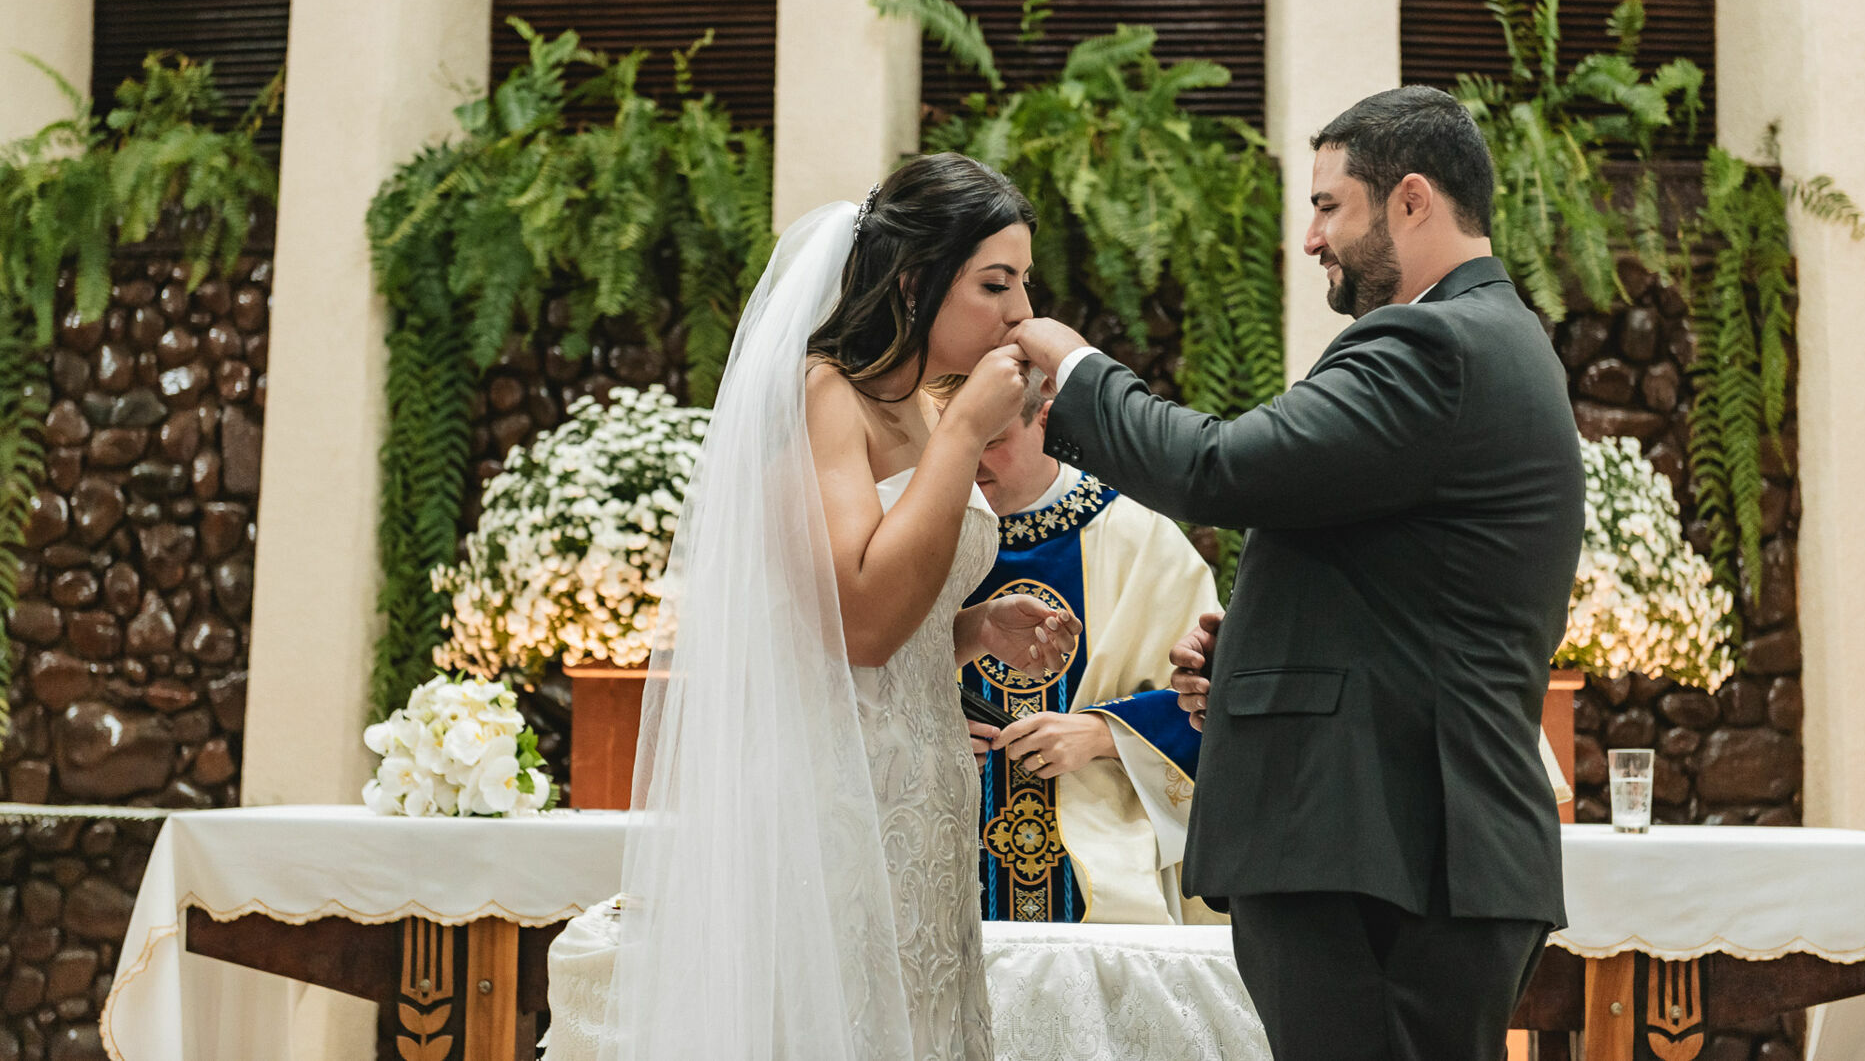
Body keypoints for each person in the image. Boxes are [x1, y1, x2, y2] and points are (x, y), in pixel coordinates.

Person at [1014, 86, 1585, 1061]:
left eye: (1329, 205)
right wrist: (1245, 668)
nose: (1312, 238)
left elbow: (1222, 468)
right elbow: (1414, 594)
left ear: (1411, 199)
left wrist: (1075, 372)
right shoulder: (1491, 339)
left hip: (1384, 849)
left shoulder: (1432, 343)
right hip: (1399, 842)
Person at [598, 152, 1078, 1061]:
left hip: (929, 787)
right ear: (913, 281)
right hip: (837, 793)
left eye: (1024, 284)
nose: (1021, 313)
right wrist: (972, 430)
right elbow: (855, 623)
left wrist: (974, 629)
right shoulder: (824, 396)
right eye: (995, 284)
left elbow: (900, 623)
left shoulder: (933, 413)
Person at [963, 375, 1225, 925]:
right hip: (946, 837)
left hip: (1102, 844)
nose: (971, 464)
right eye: (954, 440)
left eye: (991, 442)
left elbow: (1215, 696)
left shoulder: (1139, 536)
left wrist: (1106, 734)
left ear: (1047, 419)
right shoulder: (923, 532)